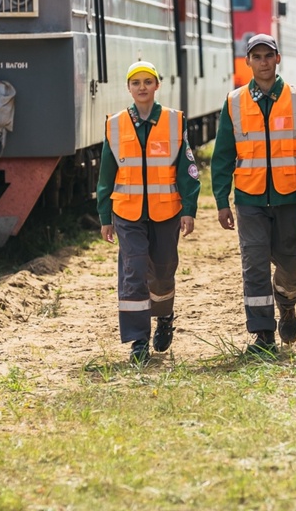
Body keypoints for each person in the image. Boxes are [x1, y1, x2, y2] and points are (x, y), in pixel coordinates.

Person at [211, 33, 296, 355]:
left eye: (268, 56)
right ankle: (263, 335)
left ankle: (287, 302)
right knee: (254, 266)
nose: (263, 62)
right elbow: (222, 156)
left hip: (289, 198)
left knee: (294, 263)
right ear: (248, 61)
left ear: (278, 59)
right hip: (249, 199)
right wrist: (222, 201)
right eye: (257, 56)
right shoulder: (234, 103)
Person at [98, 60, 200, 365]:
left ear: (157, 85)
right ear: (128, 88)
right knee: (134, 269)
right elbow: (106, 175)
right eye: (136, 82)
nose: (142, 87)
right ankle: (138, 340)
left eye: (147, 81)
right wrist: (105, 217)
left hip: (166, 211)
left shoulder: (174, 121)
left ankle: (164, 317)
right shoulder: (115, 124)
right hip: (127, 212)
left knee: (163, 271)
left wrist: (189, 209)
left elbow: (187, 169)